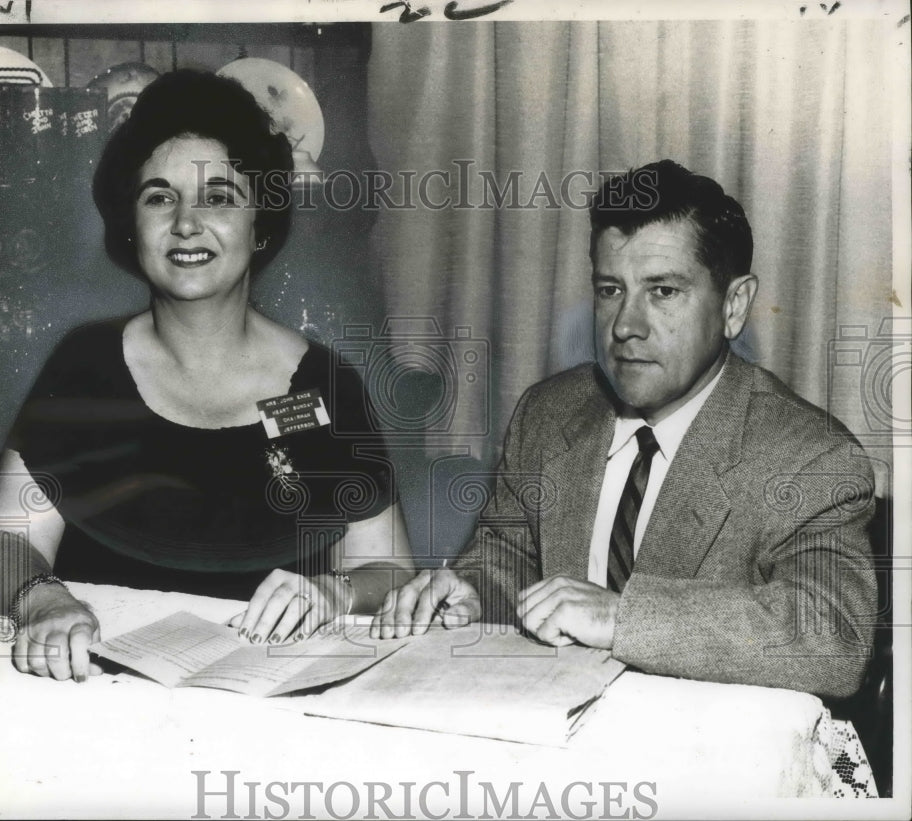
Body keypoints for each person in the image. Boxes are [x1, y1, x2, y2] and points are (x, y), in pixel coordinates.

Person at [0, 69, 414, 682]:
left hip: (277, 701)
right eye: (159, 196)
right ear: (132, 223)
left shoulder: (323, 386)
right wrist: (41, 598)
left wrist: (335, 593)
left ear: (261, 223)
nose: (185, 222)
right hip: (97, 691)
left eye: (219, 197)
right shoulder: (84, 367)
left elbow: (388, 570)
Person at [371, 160, 877, 699]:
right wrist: (472, 590)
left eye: (663, 291)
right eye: (611, 289)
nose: (625, 326)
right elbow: (509, 555)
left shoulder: (810, 456)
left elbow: (832, 637)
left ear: (734, 306)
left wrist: (619, 616)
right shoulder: (549, 413)